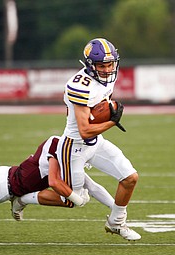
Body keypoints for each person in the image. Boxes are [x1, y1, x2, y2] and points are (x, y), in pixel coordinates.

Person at [52, 38, 140, 241]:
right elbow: (84, 130)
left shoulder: (107, 78)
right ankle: (22, 197)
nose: (108, 69)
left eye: (110, 64)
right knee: (72, 200)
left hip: (95, 142)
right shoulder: (79, 85)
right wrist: (113, 121)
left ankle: (116, 223)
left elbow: (98, 112)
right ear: (90, 65)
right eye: (102, 65)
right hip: (73, 147)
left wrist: (107, 114)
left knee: (130, 178)